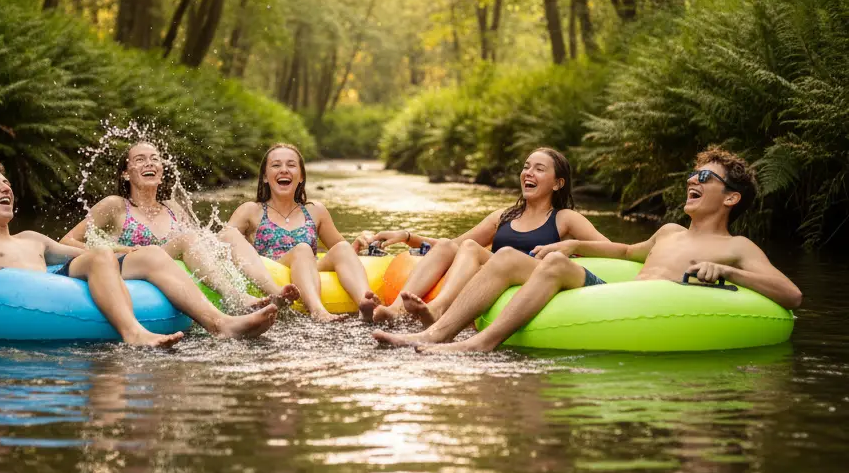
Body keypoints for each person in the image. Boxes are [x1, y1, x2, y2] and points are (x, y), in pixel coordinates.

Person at [374, 147, 802, 353]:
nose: (692, 180)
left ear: (731, 198)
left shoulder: (737, 246)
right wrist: (575, 243)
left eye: (704, 178)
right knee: (508, 257)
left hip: (656, 306)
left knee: (556, 264)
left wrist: (729, 273)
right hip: (615, 294)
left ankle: (481, 344)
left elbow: (791, 295)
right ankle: (435, 333)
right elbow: (626, 252)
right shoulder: (670, 231)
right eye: (692, 174)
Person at [0, 160, 278, 346]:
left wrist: (135, 249)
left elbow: (83, 252)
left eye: (7, 183)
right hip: (18, 299)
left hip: (55, 285)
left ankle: (220, 323)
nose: (6, 188)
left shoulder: (32, 239)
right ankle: (133, 333)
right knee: (99, 258)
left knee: (145, 255)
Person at [363, 148, 608, 327]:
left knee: (471, 247)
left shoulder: (565, 218)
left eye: (539, 169)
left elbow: (608, 248)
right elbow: (453, 246)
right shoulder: (503, 216)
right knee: (452, 245)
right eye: (526, 167)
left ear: (557, 184)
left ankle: (439, 308)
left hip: (532, 277)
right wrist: (407, 236)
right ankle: (396, 309)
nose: (528, 173)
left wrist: (571, 247)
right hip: (493, 275)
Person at [62, 141, 297, 311]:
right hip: (133, 267)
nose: (149, 163)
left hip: (169, 268)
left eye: (155, 159)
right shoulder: (115, 205)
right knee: (187, 240)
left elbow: (202, 243)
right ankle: (234, 297)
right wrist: (117, 250)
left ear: (162, 171)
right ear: (125, 174)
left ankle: (274, 292)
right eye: (140, 160)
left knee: (229, 234)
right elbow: (67, 241)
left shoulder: (173, 207)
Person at [228, 143, 382, 322]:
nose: (284, 170)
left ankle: (366, 304)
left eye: (291, 165)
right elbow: (224, 243)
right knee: (302, 248)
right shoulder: (251, 210)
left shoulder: (316, 211)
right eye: (276, 165)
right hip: (272, 271)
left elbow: (339, 249)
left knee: (341, 248)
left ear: (301, 177)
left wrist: (358, 244)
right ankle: (318, 311)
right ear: (265, 177)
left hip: (308, 271)